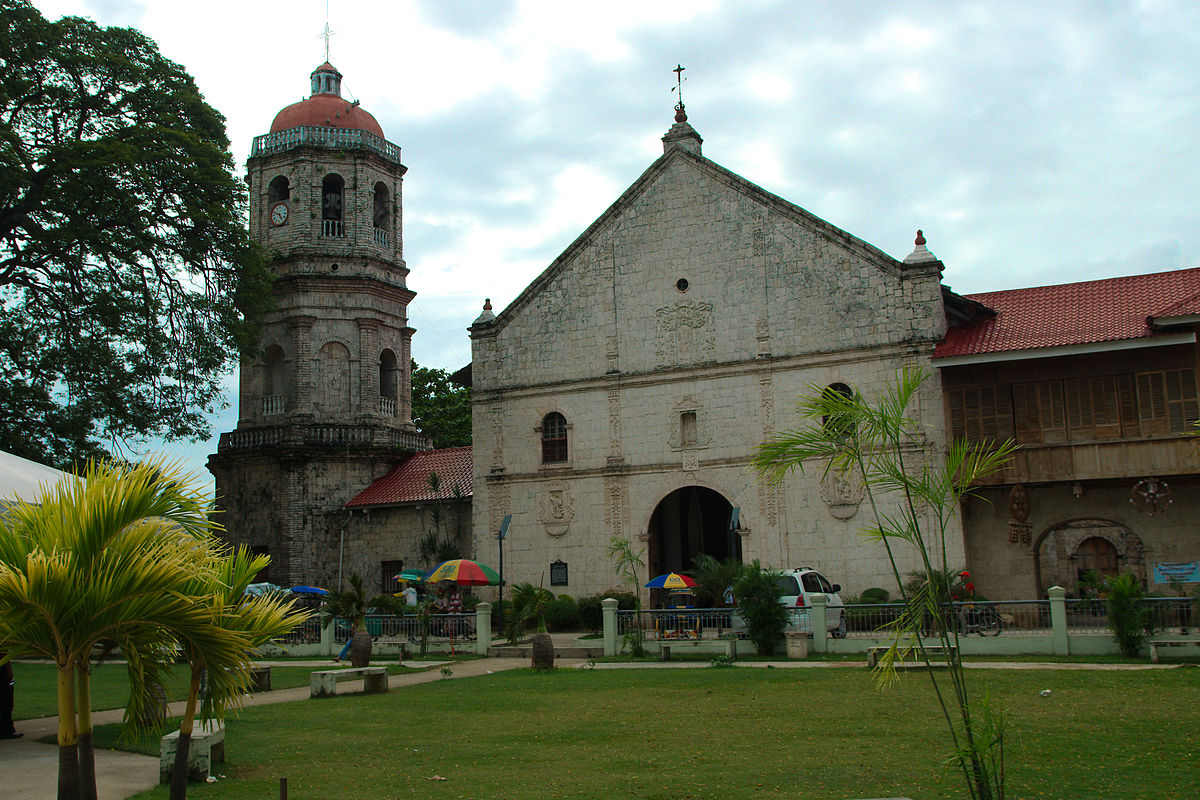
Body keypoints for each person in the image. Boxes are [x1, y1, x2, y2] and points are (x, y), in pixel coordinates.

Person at [1, 653, 21, 740]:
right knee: (6, 703)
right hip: (3, 676)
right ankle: (6, 729)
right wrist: (9, 671)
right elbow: (4, 654)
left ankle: (7, 728)